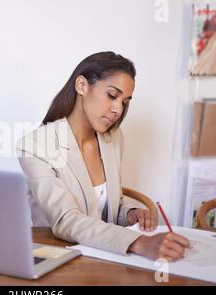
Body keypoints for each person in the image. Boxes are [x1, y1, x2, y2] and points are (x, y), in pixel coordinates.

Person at [16, 51, 190, 262]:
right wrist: (139, 243)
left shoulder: (113, 140)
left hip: (104, 257)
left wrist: (129, 213)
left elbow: (103, 206)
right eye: (111, 95)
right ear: (82, 86)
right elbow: (65, 220)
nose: (118, 109)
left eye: (125, 102)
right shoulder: (35, 145)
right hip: (58, 259)